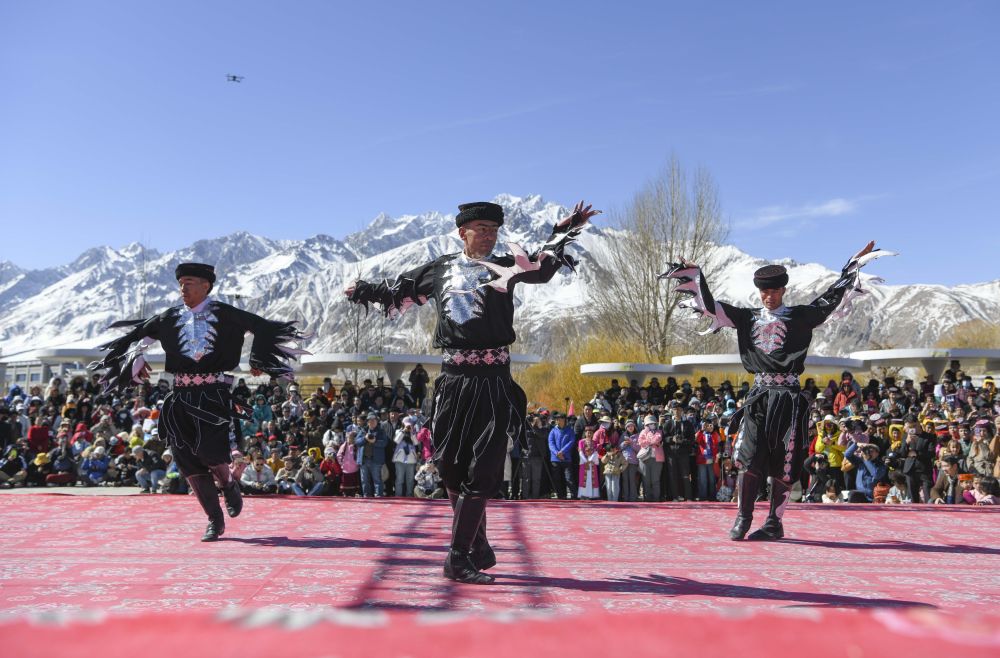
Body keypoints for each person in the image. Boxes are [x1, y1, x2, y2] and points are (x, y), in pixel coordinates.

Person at [345, 199, 599, 583]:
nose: (489, 235)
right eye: (481, 229)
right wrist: (361, 290)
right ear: (462, 232)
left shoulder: (507, 265)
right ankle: (477, 544)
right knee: (451, 468)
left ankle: (457, 556)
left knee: (484, 468)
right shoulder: (440, 268)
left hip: (493, 381)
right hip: (452, 382)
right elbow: (399, 288)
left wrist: (563, 231)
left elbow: (543, 267)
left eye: (494, 230)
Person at [662, 240, 888, 540]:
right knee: (748, 456)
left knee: (785, 460)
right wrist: (696, 275)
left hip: (788, 399)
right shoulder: (746, 317)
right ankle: (743, 517)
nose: (769, 297)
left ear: (783, 290)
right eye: (764, 292)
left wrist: (852, 267)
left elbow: (831, 298)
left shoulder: (800, 316)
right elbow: (711, 306)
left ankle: (773, 522)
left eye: (774, 291)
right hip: (758, 397)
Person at [90, 262, 308, 540]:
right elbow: (134, 338)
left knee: (210, 452)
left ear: (206, 286)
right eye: (180, 283)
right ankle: (214, 519)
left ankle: (228, 483)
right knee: (185, 458)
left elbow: (262, 327)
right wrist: (135, 357)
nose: (183, 288)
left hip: (213, 394)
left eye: (189, 282)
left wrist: (259, 359)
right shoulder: (169, 317)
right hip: (179, 396)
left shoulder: (225, 313)